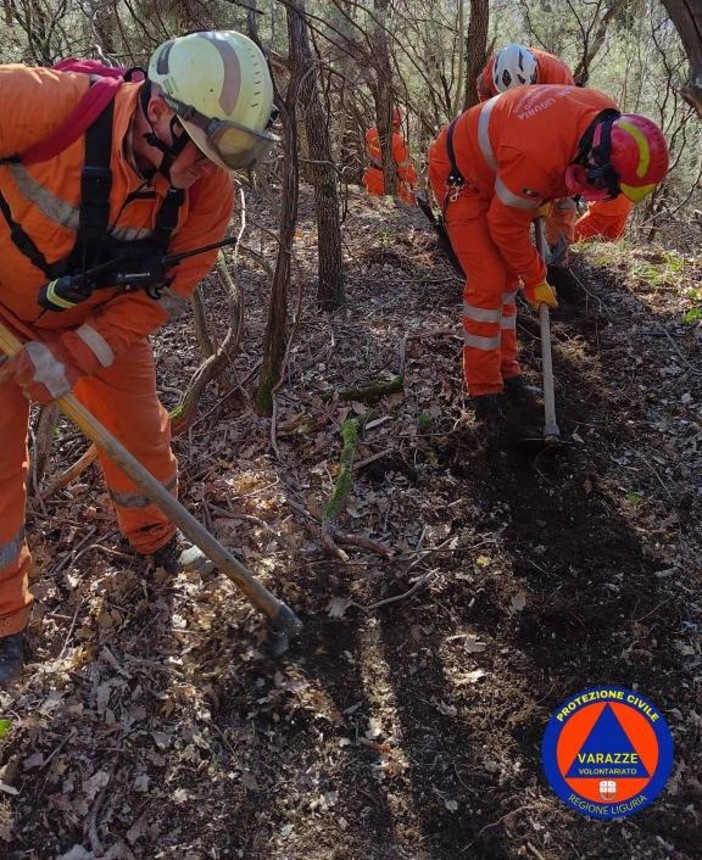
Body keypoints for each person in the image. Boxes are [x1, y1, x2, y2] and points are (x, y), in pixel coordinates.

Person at [0, 30, 278, 685]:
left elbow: (161, 297)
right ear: (159, 113)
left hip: (92, 320)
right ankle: (5, 622)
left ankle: (154, 542)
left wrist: (71, 354)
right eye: (201, 152)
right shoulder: (42, 105)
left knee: (139, 438)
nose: (206, 170)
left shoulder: (208, 196)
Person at [427, 85, 668, 418]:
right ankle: (484, 391)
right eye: (604, 186)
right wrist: (535, 276)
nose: (599, 194)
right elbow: (504, 226)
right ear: (597, 160)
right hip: (461, 176)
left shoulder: (604, 118)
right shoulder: (535, 156)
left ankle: (507, 372)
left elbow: (559, 156)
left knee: (507, 279)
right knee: (489, 282)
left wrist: (541, 197)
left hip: (504, 169)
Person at [479, 44, 635, 248]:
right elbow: (485, 113)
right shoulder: (489, 79)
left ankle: (557, 248)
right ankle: (498, 235)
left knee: (562, 191)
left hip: (553, 126)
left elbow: (566, 126)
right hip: (510, 121)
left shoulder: (557, 76)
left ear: (535, 77)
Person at [362, 106, 418, 205]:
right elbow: (405, 168)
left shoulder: (370, 133)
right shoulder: (398, 141)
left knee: (373, 205)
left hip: (370, 176)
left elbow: (368, 152)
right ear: (398, 121)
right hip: (388, 181)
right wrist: (413, 181)